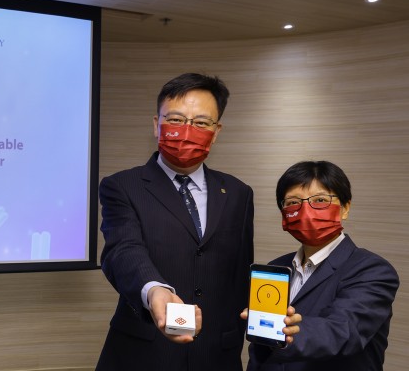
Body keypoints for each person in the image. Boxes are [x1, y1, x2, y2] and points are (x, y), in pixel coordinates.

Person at [96, 72, 257, 370]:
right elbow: (123, 250)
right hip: (143, 353)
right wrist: (155, 290)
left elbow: (240, 271)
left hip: (217, 355)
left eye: (200, 123)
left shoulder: (238, 193)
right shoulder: (122, 186)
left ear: (217, 130)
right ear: (157, 124)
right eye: (176, 119)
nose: (187, 130)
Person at [244, 160, 399, 371]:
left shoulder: (373, 270)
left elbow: (344, 330)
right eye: (293, 202)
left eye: (320, 200)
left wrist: (287, 331)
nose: (306, 212)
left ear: (345, 208)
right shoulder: (276, 268)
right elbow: (260, 348)